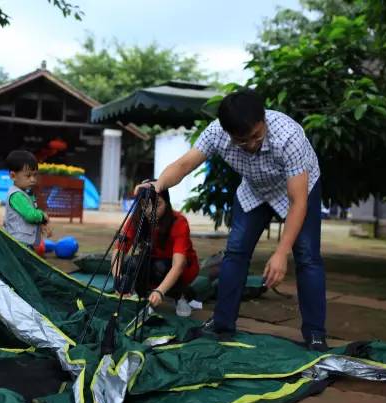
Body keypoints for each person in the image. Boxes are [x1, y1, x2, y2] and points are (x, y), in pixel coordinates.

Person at [136, 89, 328, 351]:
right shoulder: (216, 133)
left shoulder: (289, 136)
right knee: (235, 252)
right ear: (227, 133)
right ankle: (222, 323)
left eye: (256, 136)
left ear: (264, 121)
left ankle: (315, 333)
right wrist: (157, 185)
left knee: (307, 257)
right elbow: (183, 165)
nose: (251, 145)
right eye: (241, 141)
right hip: (255, 188)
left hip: (297, 189)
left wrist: (282, 252)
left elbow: (298, 202)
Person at [112, 185, 200, 317]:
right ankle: (141, 298)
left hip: (182, 268)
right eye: (145, 204)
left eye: (157, 204)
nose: (150, 210)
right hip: (151, 262)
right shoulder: (136, 219)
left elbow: (179, 265)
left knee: (161, 267)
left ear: (167, 203)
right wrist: (117, 279)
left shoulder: (179, 222)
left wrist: (160, 291)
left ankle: (181, 296)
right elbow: (119, 251)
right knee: (132, 263)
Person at [4, 150, 51, 249]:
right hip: (19, 243)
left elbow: (33, 211)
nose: (33, 179)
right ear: (13, 176)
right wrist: (42, 216)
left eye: (35, 175)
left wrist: (41, 224)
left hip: (25, 242)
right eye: (28, 176)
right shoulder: (16, 195)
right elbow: (30, 215)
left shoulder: (26, 192)